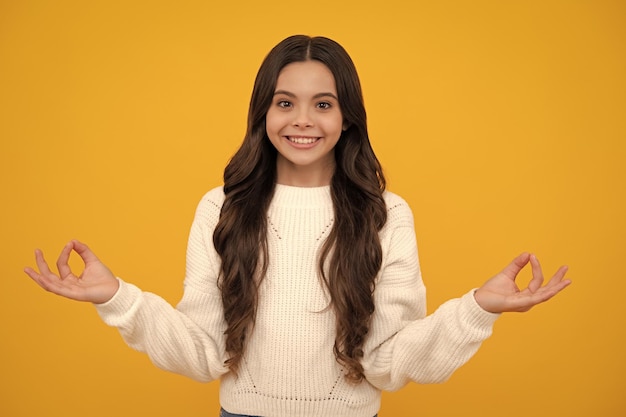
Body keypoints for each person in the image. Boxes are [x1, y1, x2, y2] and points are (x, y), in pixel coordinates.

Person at [24, 35, 571, 417]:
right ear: (264, 112)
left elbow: (388, 361)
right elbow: (203, 352)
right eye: (285, 102)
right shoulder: (223, 208)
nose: (303, 120)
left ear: (347, 116)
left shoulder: (387, 214)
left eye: (323, 104)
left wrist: (477, 307)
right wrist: (117, 298)